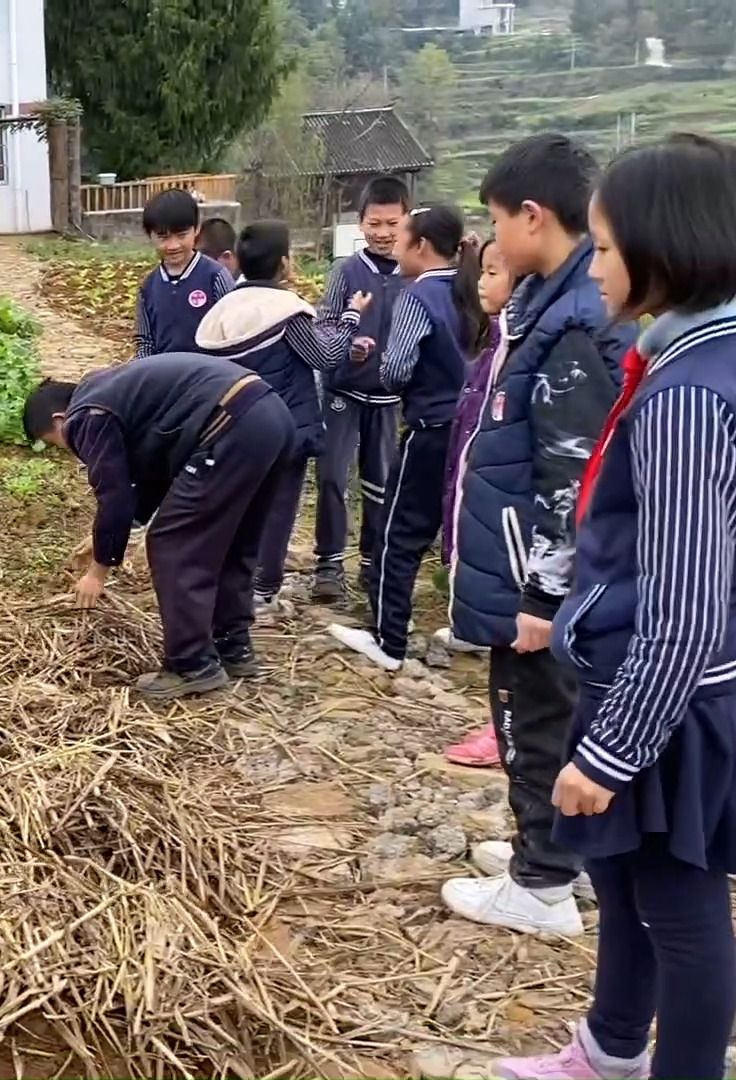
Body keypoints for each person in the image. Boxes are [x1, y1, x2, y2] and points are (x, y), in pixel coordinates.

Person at [490, 133, 736, 1080]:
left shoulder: (683, 397)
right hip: (656, 680)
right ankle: (610, 1048)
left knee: (681, 910)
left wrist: (612, 748)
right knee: (625, 883)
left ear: (665, 247)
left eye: (602, 246)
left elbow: (680, 602)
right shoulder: (700, 359)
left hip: (663, 698)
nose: (592, 269)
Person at [441, 133, 632, 939]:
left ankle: (542, 884)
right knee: (549, 712)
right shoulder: (553, 301)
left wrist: (542, 596)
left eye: (494, 220)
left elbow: (570, 473)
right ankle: (556, 852)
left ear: (531, 215)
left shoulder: (574, 322)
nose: (489, 238)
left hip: (540, 577)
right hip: (528, 561)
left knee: (535, 714)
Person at [24, 353, 294, 699]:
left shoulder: (85, 417)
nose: (71, 449)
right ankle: (233, 646)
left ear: (59, 420)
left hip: (230, 423)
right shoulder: (114, 394)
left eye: (55, 443)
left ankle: (191, 664)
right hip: (270, 416)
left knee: (172, 544)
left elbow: (115, 496)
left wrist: (98, 572)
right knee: (234, 539)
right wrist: (105, 537)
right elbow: (149, 478)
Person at [328, 207, 481, 670]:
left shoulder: (419, 296)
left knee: (399, 534)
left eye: (402, 237)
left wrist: (387, 377)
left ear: (421, 246)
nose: (392, 244)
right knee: (462, 530)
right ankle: (472, 628)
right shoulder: (472, 287)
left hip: (430, 428)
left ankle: (389, 640)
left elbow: (396, 369)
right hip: (470, 429)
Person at [194, 220, 368, 610]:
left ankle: (229, 580)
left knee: (239, 503)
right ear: (286, 264)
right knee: (277, 509)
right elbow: (324, 355)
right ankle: (262, 589)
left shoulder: (223, 310)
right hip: (285, 427)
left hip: (233, 428)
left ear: (238, 261)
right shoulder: (286, 311)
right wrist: (351, 318)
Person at [312, 174, 413, 604]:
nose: (384, 233)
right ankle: (329, 565)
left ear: (407, 221)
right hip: (343, 392)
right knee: (333, 476)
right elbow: (323, 326)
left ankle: (373, 563)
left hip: (389, 398)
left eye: (392, 223)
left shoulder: (414, 273)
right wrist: (347, 345)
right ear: (361, 223)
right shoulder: (346, 271)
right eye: (375, 223)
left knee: (380, 482)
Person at [439, 239, 516, 769]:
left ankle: (508, 731)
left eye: (494, 272)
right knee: (500, 633)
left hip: (508, 524)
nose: (482, 282)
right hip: (478, 504)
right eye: (481, 271)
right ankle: (502, 720)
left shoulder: (530, 350)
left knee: (517, 634)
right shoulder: (496, 345)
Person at [133, 191, 235, 358]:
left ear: (196, 230)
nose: (173, 245)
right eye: (163, 237)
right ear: (149, 235)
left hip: (210, 375)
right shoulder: (148, 287)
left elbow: (233, 332)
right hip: (165, 377)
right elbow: (145, 342)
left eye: (181, 235)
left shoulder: (216, 277)